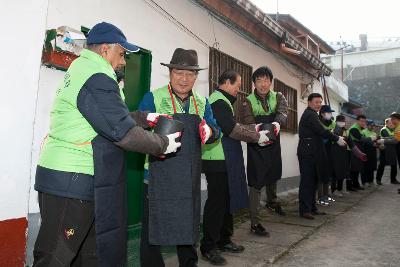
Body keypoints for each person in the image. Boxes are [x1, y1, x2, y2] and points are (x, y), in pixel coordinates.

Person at [33, 22, 181, 266]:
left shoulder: (84, 70)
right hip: (72, 178)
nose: (123, 61)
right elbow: (122, 132)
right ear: (105, 49)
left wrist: (145, 118)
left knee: (87, 254)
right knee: (55, 257)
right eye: (121, 54)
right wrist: (163, 144)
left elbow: (106, 118)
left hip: (77, 178)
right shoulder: (97, 77)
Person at [138, 48, 220, 267]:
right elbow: (137, 127)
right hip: (156, 176)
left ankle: (188, 264)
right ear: (171, 73)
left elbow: (216, 130)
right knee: (152, 228)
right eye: (179, 73)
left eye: (189, 74)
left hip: (188, 176)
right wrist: (150, 121)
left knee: (188, 225)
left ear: (196, 77)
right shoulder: (153, 97)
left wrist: (210, 132)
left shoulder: (202, 103)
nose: (184, 79)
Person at [201, 70, 270, 265]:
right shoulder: (218, 101)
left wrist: (253, 130)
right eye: (237, 85)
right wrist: (257, 136)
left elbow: (233, 125)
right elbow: (230, 129)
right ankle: (208, 246)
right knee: (217, 203)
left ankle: (224, 240)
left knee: (226, 201)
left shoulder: (223, 101)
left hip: (224, 158)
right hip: (216, 159)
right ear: (227, 83)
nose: (239, 90)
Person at [238, 66, 288, 236]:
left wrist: (276, 124)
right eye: (259, 80)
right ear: (254, 83)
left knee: (273, 173)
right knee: (256, 182)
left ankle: (272, 202)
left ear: (271, 82)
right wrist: (259, 132)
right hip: (257, 145)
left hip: (274, 143)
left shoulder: (279, 96)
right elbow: (248, 122)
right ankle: (254, 222)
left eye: (266, 80)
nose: (263, 84)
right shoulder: (247, 100)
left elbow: (283, 113)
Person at [297, 93, 347, 220]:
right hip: (307, 152)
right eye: (316, 102)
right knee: (307, 182)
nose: (318, 104)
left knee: (313, 180)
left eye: (320, 102)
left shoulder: (314, 115)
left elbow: (321, 131)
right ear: (309, 103)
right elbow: (321, 131)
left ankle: (312, 208)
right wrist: (337, 138)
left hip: (313, 151)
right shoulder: (310, 115)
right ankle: (305, 210)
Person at [348, 115, 375, 191]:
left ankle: (356, 184)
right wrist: (370, 138)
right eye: (361, 121)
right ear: (357, 121)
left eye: (364, 121)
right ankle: (352, 185)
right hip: (354, 149)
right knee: (354, 167)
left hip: (359, 149)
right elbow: (361, 139)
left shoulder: (360, 128)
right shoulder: (354, 129)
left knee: (358, 167)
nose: (363, 123)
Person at [317, 105, 336, 206]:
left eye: (330, 113)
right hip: (320, 150)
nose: (330, 115)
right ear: (322, 113)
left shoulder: (332, 123)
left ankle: (326, 196)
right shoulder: (317, 122)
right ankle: (320, 197)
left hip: (329, 151)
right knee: (320, 175)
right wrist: (329, 135)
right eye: (328, 113)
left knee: (327, 175)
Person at [376, 118, 399, 185]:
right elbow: (391, 139)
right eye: (390, 123)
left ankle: (393, 179)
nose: (392, 124)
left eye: (392, 123)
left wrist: (394, 138)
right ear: (386, 124)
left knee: (394, 165)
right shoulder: (384, 130)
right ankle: (378, 179)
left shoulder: (394, 130)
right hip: (385, 150)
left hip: (392, 150)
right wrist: (394, 138)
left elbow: (394, 139)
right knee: (382, 165)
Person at [361, 120, 378, 187]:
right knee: (365, 167)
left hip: (373, 152)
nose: (372, 127)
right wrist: (372, 143)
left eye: (373, 126)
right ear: (367, 125)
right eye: (371, 125)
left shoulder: (374, 133)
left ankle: (371, 181)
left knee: (372, 167)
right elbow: (363, 141)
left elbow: (376, 142)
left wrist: (378, 144)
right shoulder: (363, 132)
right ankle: (364, 182)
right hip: (365, 151)